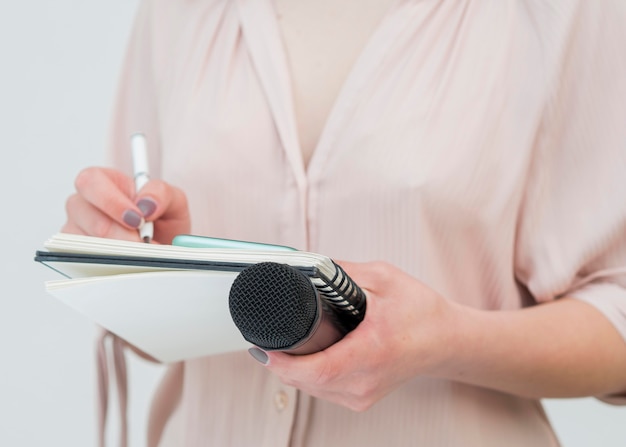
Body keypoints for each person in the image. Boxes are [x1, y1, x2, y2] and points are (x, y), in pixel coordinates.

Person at [62, 0, 626, 445]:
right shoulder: (178, 11)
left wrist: (447, 340)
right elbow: (146, 337)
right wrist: (143, 267)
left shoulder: (555, 12)